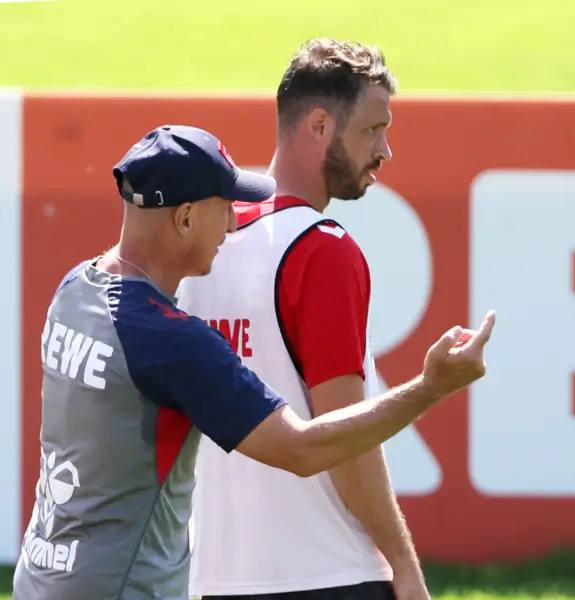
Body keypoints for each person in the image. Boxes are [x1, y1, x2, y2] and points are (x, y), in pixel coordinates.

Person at [11, 123, 496, 600]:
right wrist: (431, 387)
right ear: (184, 219)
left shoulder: (75, 289)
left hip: (42, 577)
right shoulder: (170, 340)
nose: (232, 225)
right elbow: (302, 449)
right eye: (224, 209)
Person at [177, 39, 434, 600]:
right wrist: (403, 562)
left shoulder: (197, 242)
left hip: (212, 578)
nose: (385, 149)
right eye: (373, 129)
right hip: (329, 575)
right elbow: (344, 436)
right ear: (319, 126)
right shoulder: (323, 250)